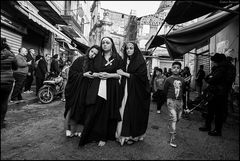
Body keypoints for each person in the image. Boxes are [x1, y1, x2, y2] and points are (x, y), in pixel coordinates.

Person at [79, 37, 124, 147]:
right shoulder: (97, 57)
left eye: (107, 42)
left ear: (111, 44)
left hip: (111, 88)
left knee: (106, 113)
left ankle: (103, 136)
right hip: (96, 86)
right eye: (103, 42)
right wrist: (96, 74)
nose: (104, 44)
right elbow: (90, 71)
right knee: (92, 111)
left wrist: (110, 75)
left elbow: (120, 74)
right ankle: (89, 136)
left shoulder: (117, 58)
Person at [115, 42, 151, 146]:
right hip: (125, 89)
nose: (129, 50)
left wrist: (124, 73)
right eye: (127, 49)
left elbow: (141, 78)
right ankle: (122, 134)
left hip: (136, 92)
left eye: (131, 48)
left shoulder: (140, 61)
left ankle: (131, 135)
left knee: (132, 111)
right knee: (122, 109)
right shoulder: (124, 60)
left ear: (135, 49)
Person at [64, 45, 100, 138]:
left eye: (95, 54)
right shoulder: (80, 60)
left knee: (84, 109)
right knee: (73, 108)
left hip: (87, 90)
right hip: (76, 89)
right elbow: (72, 73)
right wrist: (83, 75)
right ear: (89, 50)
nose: (93, 55)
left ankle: (79, 129)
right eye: (92, 52)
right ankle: (69, 129)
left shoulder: (95, 64)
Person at [199, 53, 229, 136]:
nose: (212, 63)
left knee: (218, 113)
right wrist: (210, 78)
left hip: (219, 94)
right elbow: (208, 77)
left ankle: (217, 130)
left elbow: (211, 79)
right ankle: (208, 126)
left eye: (213, 61)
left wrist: (210, 78)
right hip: (215, 93)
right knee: (210, 110)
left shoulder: (222, 69)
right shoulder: (218, 68)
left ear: (218, 61)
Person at [164, 61, 186, 148]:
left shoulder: (182, 80)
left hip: (180, 101)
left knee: (178, 118)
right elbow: (165, 90)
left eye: (178, 67)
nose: (176, 69)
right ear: (171, 69)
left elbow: (183, 90)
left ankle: (171, 126)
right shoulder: (168, 79)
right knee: (174, 118)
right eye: (174, 67)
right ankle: (172, 137)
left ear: (180, 69)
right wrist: (167, 99)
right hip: (171, 100)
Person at [1, 37, 18, 128]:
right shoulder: (11, 54)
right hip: (7, 82)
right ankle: (1, 122)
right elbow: (15, 67)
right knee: (4, 102)